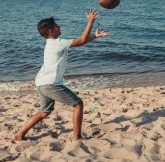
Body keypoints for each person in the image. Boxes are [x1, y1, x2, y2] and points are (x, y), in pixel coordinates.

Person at [13, 9, 109, 141]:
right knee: (78, 104)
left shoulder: (52, 43)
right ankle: (77, 137)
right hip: (51, 84)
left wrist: (95, 36)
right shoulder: (58, 43)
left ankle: (19, 134)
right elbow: (81, 41)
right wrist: (90, 22)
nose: (59, 27)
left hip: (41, 82)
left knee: (44, 112)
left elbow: (81, 42)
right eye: (56, 26)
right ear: (51, 31)